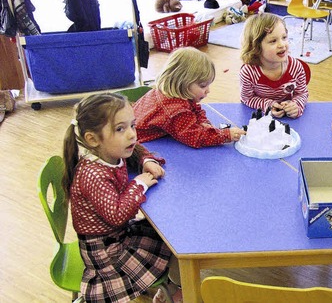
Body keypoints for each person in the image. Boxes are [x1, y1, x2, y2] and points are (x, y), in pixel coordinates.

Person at [61, 93, 182, 303]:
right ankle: (173, 287)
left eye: (132, 125)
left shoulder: (109, 151)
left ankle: (171, 286)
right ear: (92, 139)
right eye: (120, 129)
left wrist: (145, 160)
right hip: (106, 250)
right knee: (168, 240)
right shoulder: (93, 174)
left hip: (116, 234)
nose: (132, 135)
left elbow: (136, 150)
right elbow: (117, 215)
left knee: (170, 236)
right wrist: (139, 184)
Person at [133, 46, 245, 148]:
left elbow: (194, 108)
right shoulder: (176, 110)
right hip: (136, 144)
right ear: (183, 82)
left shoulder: (172, 93)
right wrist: (226, 134)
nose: (208, 90)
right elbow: (196, 138)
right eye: (203, 86)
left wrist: (203, 122)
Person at [239, 13, 309, 118]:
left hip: (290, 119)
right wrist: (268, 106)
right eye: (273, 41)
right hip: (262, 120)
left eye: (284, 37)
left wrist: (296, 106)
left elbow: (302, 93)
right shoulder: (248, 72)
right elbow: (247, 98)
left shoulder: (296, 67)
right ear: (256, 47)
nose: (282, 45)